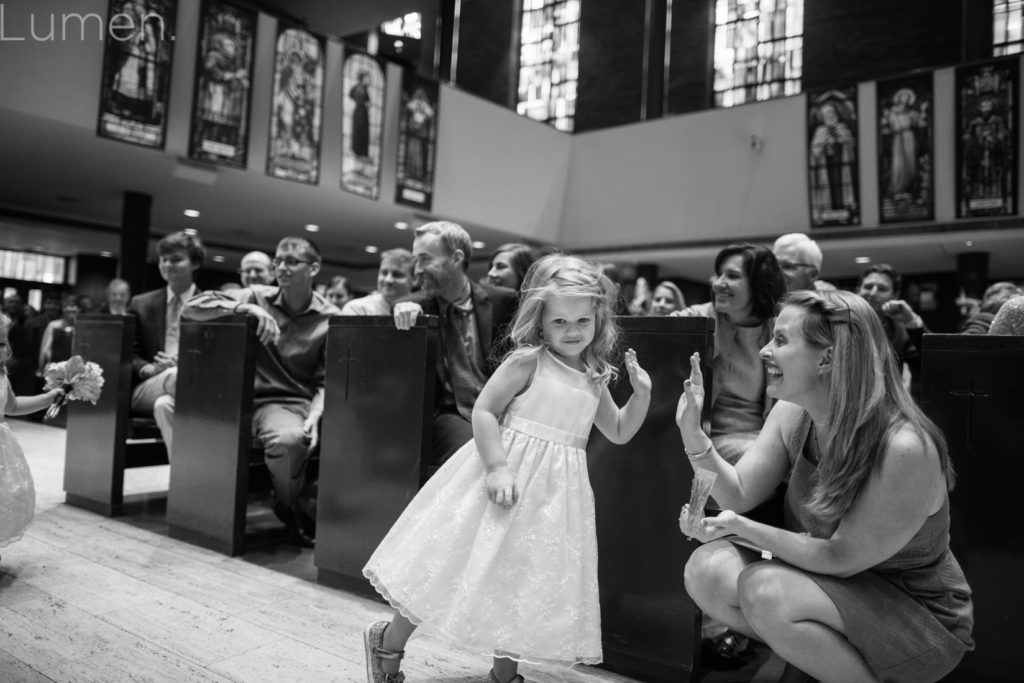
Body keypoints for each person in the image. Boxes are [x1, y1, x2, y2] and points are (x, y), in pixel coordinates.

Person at [363, 254, 652, 683]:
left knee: (523, 582)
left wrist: (642, 395)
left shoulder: (593, 374)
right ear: (540, 320)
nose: (572, 332)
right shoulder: (527, 361)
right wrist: (497, 467)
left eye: (582, 322)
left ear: (598, 319)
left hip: (555, 496)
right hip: (506, 480)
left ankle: (504, 676)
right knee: (449, 564)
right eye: (560, 322)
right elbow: (483, 411)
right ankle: (388, 642)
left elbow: (620, 430)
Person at [676, 289, 974, 682]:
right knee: (707, 569)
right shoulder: (791, 412)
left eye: (780, 340)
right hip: (830, 587)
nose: (764, 350)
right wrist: (693, 435)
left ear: (829, 357)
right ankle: (814, 661)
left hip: (916, 617)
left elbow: (840, 558)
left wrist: (743, 529)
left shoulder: (904, 446)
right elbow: (738, 492)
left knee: (767, 590)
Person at [183, 237, 341, 549]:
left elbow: (327, 380)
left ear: (314, 268)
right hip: (242, 400)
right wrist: (244, 308)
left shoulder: (331, 317)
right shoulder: (256, 295)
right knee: (284, 441)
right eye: (278, 260)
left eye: (292, 262)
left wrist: (316, 414)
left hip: (292, 404)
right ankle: (289, 506)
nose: (281, 267)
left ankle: (290, 503)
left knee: (297, 440)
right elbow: (191, 309)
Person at [393, 222, 519, 467]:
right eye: (415, 260)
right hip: (452, 414)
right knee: (475, 458)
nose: (417, 269)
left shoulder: (503, 301)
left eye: (425, 259)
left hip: (506, 411)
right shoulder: (414, 309)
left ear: (456, 258)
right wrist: (406, 319)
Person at [673, 244, 786, 464]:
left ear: (759, 285)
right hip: (710, 438)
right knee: (768, 460)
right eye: (718, 274)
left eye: (732, 276)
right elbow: (648, 331)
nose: (718, 283)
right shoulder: (699, 317)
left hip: (765, 436)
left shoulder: (778, 327)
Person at [127, 231, 205, 459]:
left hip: (186, 384)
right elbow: (128, 352)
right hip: (148, 385)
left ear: (195, 263)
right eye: (164, 259)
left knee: (164, 406)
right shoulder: (141, 303)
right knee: (177, 376)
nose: (168, 265)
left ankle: (183, 478)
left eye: (176, 259)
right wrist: (150, 368)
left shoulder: (210, 303)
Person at [1, 312, 64, 551]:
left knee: (4, 497)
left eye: (4, 343)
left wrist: (47, 398)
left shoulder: (2, 374)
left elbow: (13, 406)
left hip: (1, 447)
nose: (2, 349)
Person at [856, 263, 926, 398]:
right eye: (868, 286)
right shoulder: (839, 321)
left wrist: (911, 321)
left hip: (886, 407)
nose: (872, 293)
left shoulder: (899, 330)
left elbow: (926, 363)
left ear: (895, 295)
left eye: (882, 288)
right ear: (858, 289)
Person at [340, 248, 414, 315]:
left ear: (413, 280)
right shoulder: (358, 308)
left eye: (397, 275)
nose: (388, 280)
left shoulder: (421, 309)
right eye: (384, 273)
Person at [37, 294, 81, 373]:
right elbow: (44, 349)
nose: (69, 309)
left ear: (79, 308)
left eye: (73, 306)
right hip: (55, 368)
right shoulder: (53, 325)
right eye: (65, 306)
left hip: (77, 370)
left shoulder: (83, 327)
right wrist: (41, 368)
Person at [350, 70, 372, 174]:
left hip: (363, 114)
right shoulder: (358, 88)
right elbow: (353, 95)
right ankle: (357, 162)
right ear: (363, 78)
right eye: (367, 77)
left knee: (363, 137)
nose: (369, 80)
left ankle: (361, 164)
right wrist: (363, 103)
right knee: (359, 136)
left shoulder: (364, 89)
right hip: (360, 114)